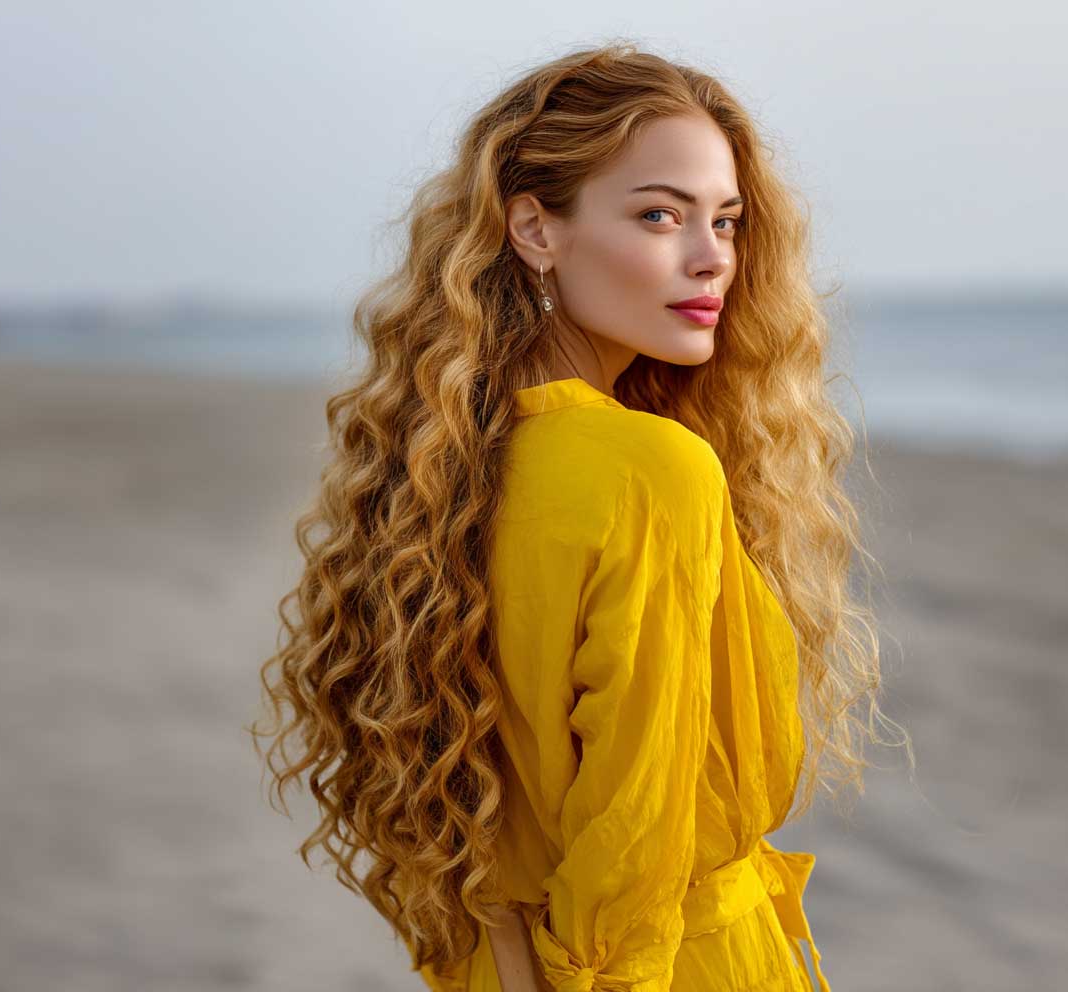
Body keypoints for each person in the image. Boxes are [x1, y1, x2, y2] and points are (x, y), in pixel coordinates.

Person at [250, 40, 905, 992]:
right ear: (534, 229)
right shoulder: (654, 468)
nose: (710, 258)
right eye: (658, 216)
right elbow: (632, 829)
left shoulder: (441, 473)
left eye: (726, 221)